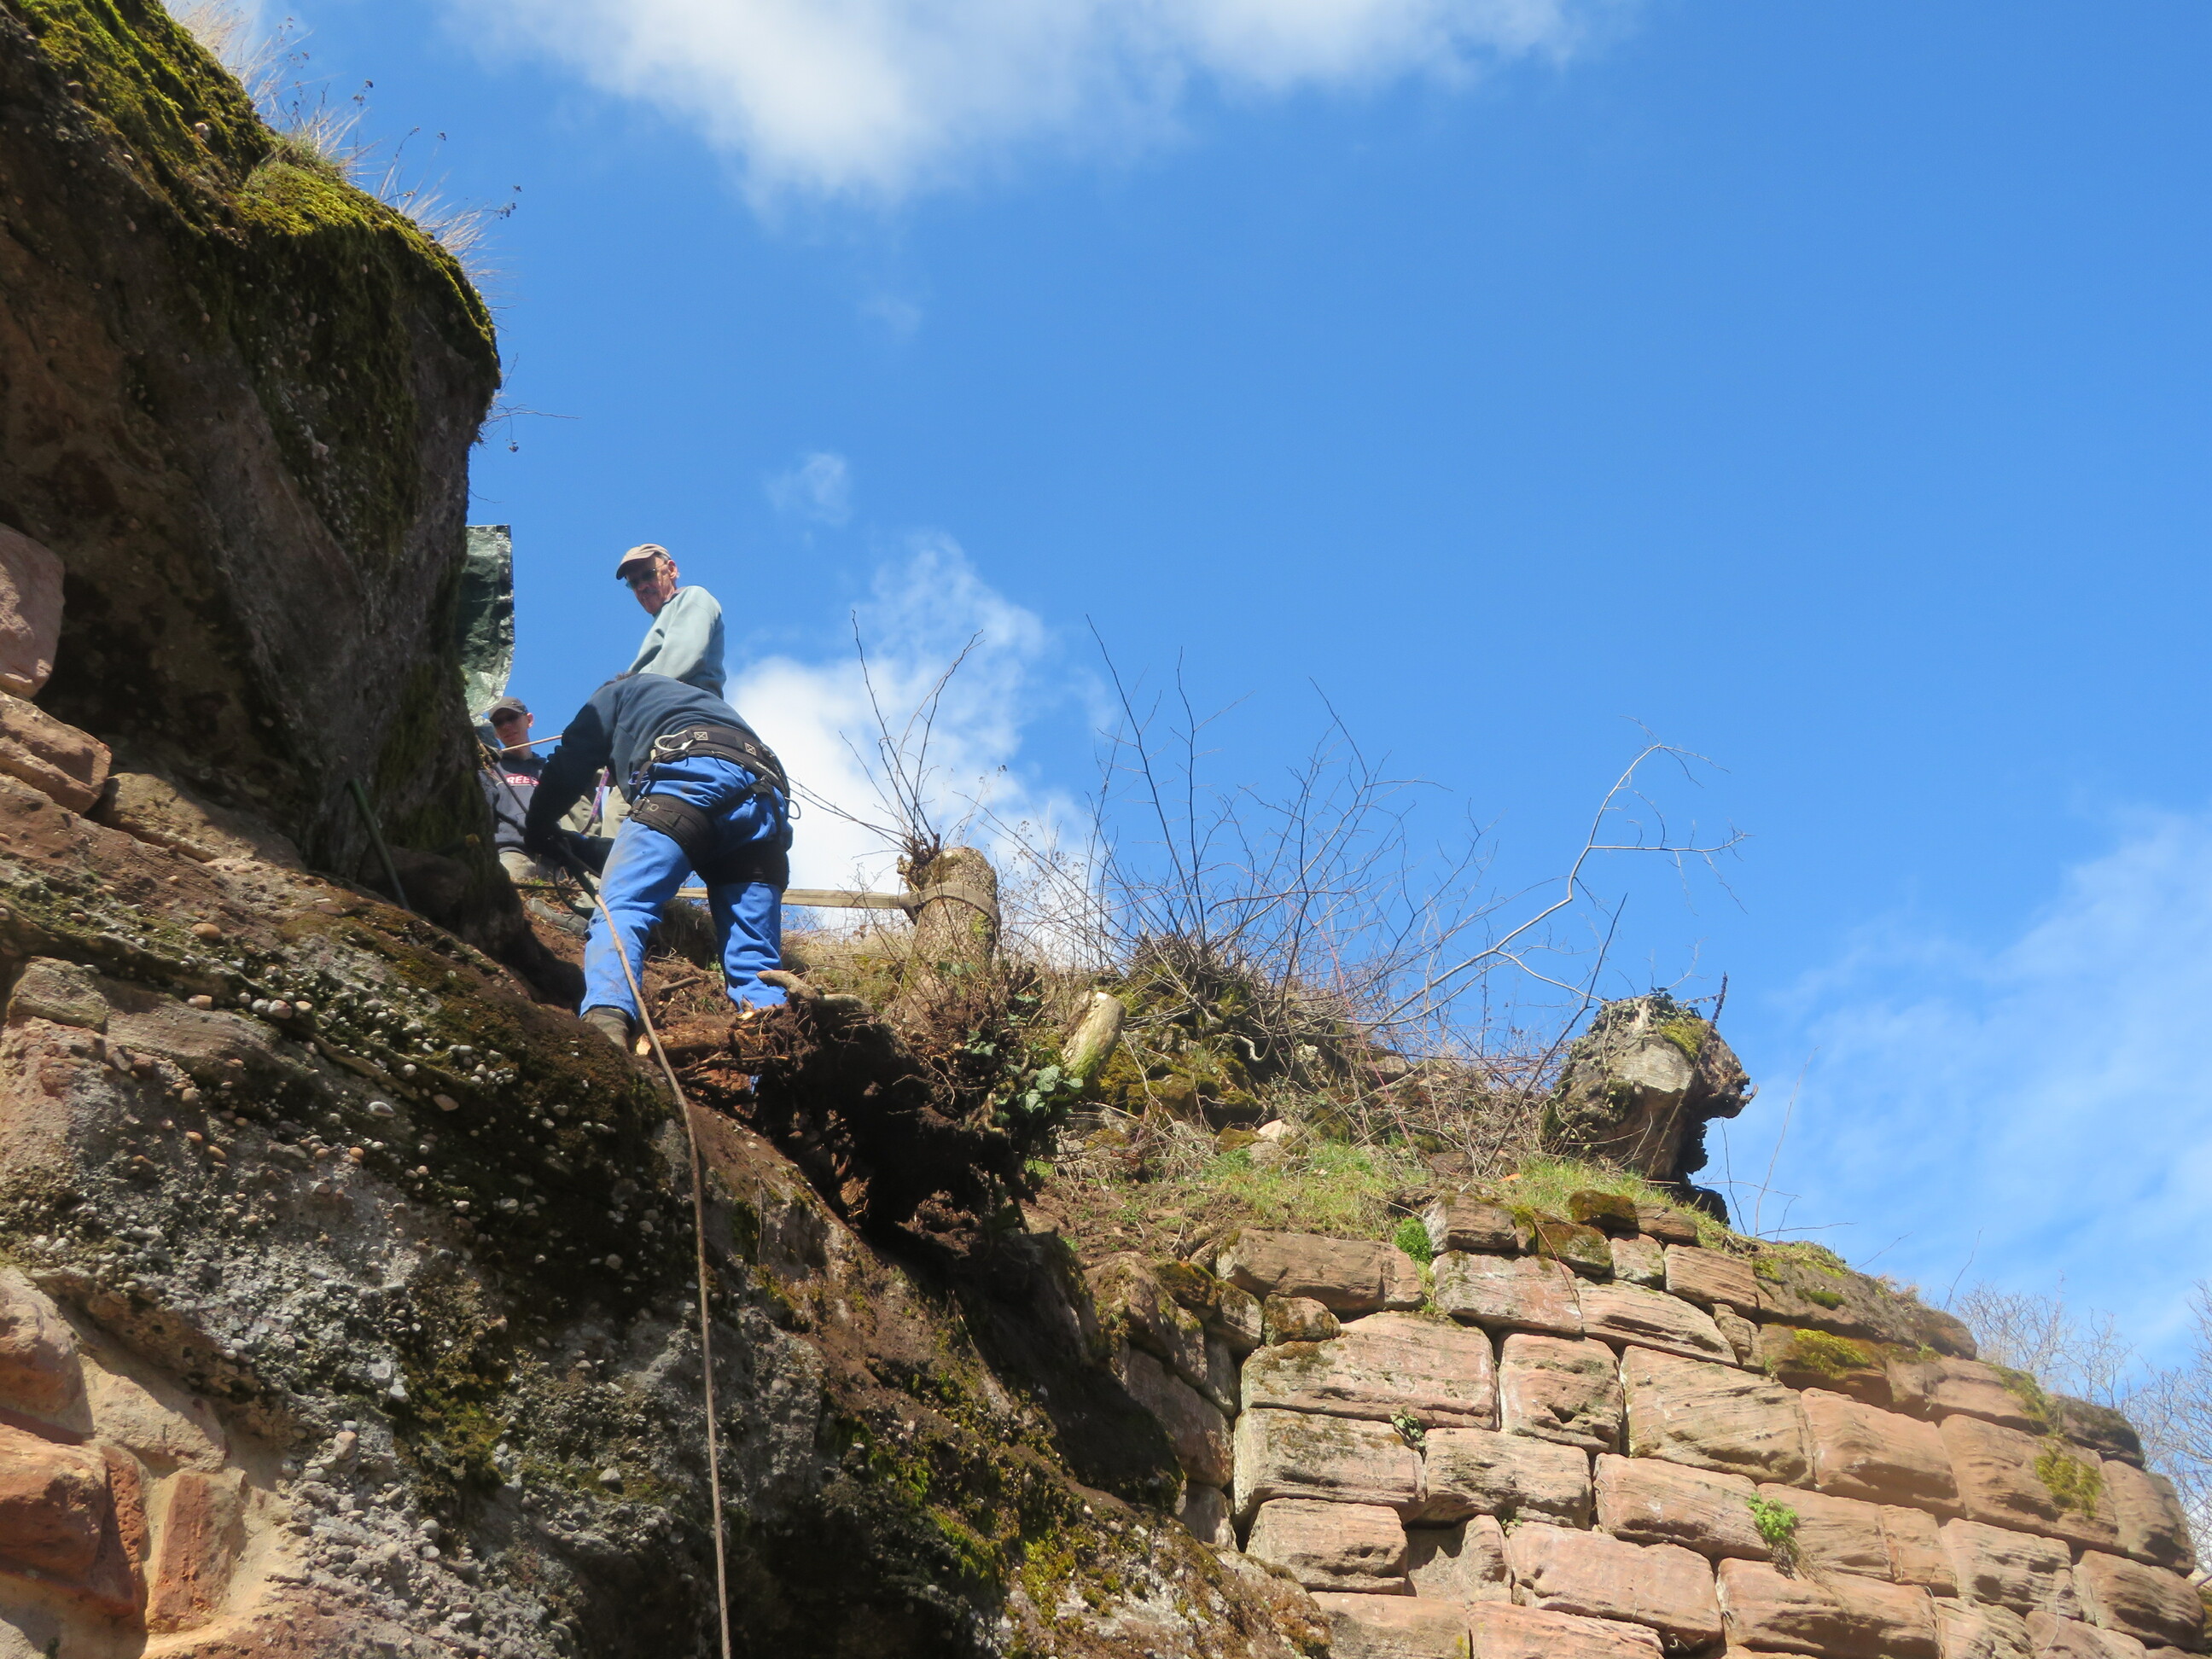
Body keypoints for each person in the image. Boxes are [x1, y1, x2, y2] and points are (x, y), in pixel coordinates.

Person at [524, 672, 790, 1048]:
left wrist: (536, 825)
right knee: (755, 962)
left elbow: (570, 763)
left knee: (623, 906)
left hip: (692, 776)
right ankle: (776, 1053)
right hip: (765, 804)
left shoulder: (615, 693)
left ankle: (606, 1020)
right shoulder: (690, 704)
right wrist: (575, 847)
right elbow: (654, 851)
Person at [617, 543, 725, 696]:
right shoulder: (663, 616)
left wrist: (626, 696)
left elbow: (679, 660)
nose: (641, 587)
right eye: (634, 583)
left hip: (685, 703)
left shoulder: (692, 597)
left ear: (671, 570)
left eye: (648, 575)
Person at [480, 696, 547, 882]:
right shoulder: (490, 771)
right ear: (495, 732)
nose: (506, 726)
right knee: (505, 887)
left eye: (512, 718)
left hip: (558, 858)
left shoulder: (550, 770)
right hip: (513, 853)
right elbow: (482, 819)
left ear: (529, 720)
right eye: (498, 722)